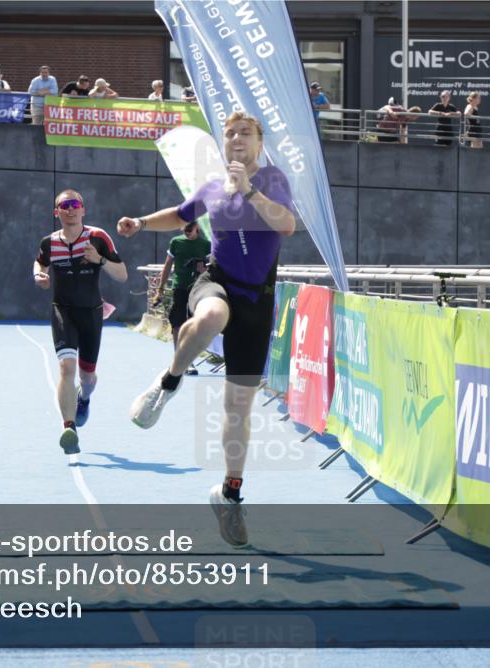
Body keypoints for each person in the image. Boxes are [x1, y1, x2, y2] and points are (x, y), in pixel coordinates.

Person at [117, 112, 295, 547]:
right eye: (230, 133)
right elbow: (180, 215)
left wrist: (249, 190)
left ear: (259, 142)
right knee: (211, 316)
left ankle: (229, 494)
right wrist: (141, 222)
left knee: (238, 407)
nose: (236, 139)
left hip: (259, 299)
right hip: (215, 281)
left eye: (245, 133)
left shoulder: (272, 180)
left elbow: (286, 225)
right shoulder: (214, 186)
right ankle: (167, 382)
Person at [33, 190, 128, 455]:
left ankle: (84, 398)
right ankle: (69, 427)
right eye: (65, 205)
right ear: (57, 212)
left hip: (91, 313)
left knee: (87, 376)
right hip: (62, 311)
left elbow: (122, 275)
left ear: (83, 210)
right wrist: (39, 276)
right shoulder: (49, 243)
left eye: (75, 205)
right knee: (66, 367)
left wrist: (100, 260)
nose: (71, 209)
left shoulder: (98, 237)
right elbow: (39, 264)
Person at [155, 221, 211, 370]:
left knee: (195, 323)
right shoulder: (176, 242)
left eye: (189, 230)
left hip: (198, 288)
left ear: (197, 227)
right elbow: (168, 265)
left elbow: (212, 268)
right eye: (184, 230)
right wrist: (160, 289)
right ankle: (179, 357)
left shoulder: (206, 245)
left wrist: (203, 270)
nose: (186, 232)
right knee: (177, 322)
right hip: (179, 287)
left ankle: (189, 358)